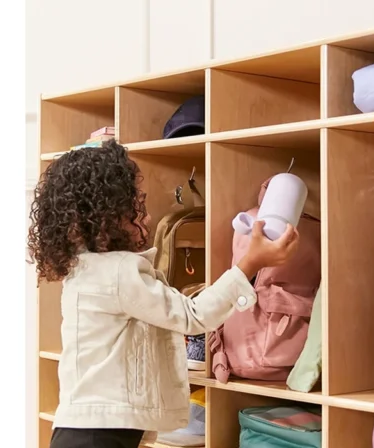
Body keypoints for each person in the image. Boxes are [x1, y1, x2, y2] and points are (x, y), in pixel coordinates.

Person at [27, 140, 300, 448]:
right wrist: (251, 262)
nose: (144, 216)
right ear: (103, 217)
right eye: (133, 208)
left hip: (84, 429)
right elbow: (192, 316)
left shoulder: (84, 268)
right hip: (97, 435)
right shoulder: (119, 271)